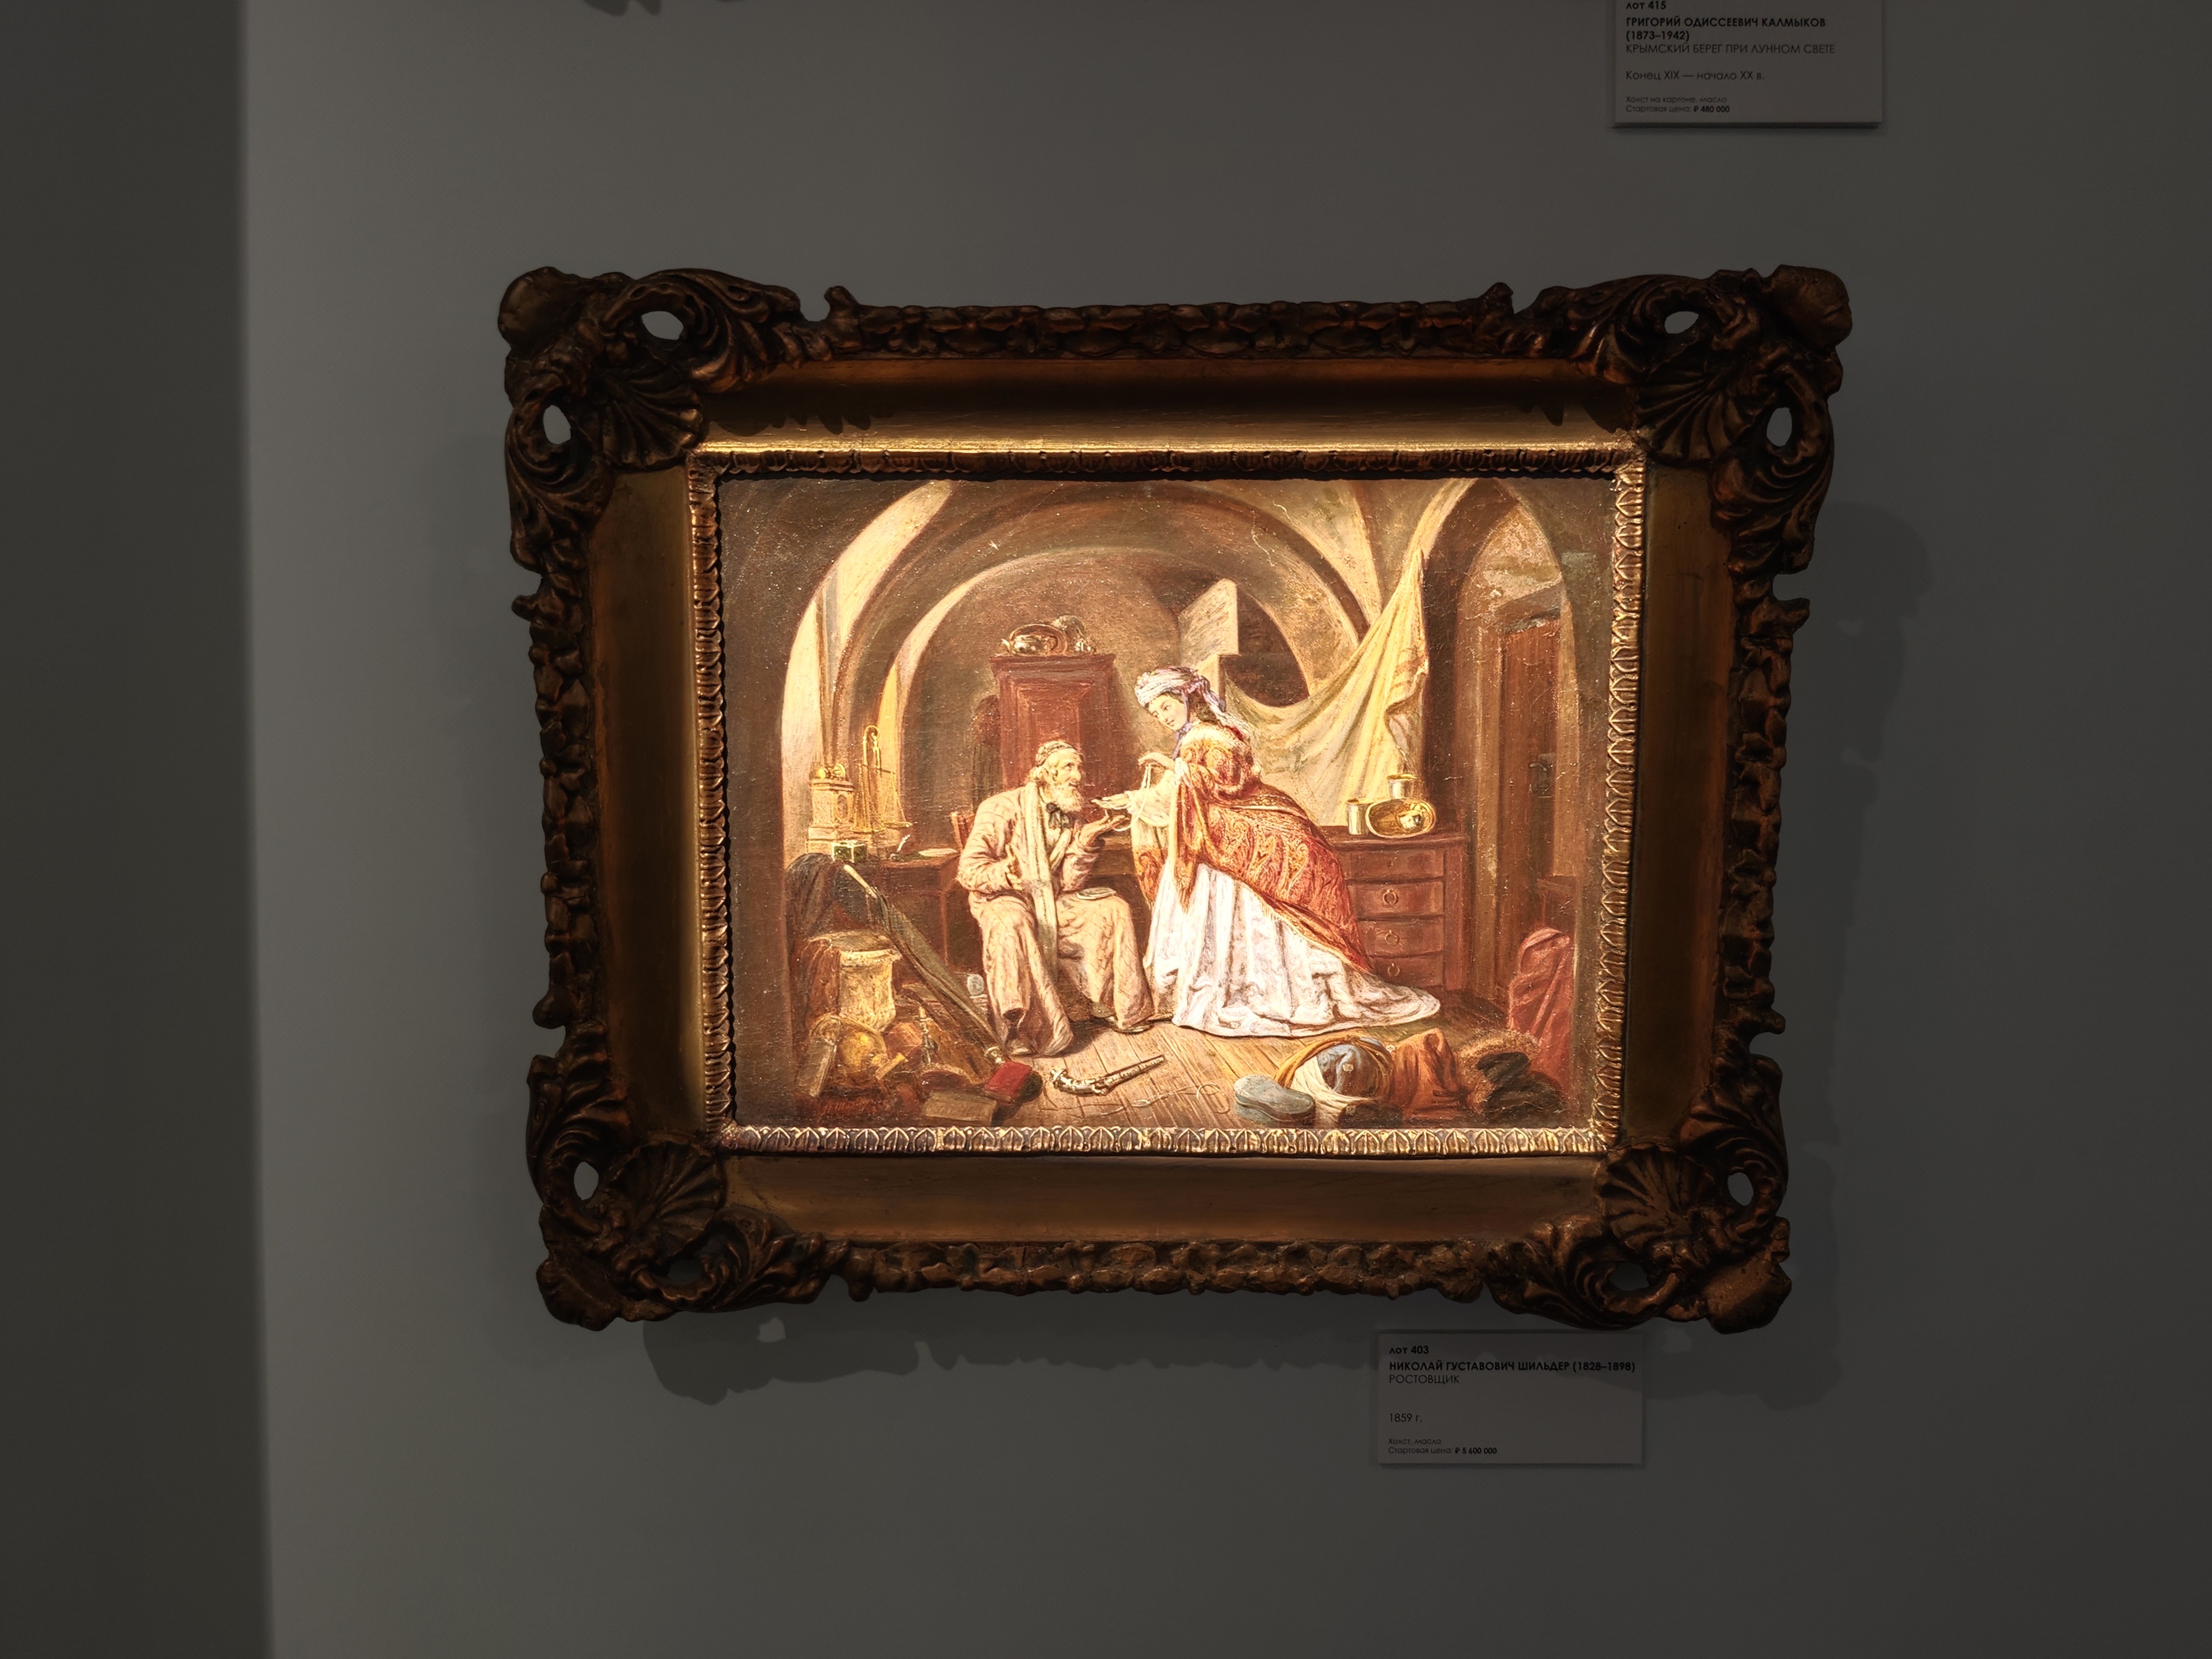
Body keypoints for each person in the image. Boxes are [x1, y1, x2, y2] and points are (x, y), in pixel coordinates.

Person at [1104, 664, 1440, 1038]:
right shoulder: (1196, 736)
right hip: (1219, 825)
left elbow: (1228, 783)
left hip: (1230, 824)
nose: (1163, 718)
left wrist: (1170, 766)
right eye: (1156, 714)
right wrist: (1133, 798)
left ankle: (1268, 991)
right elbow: (1180, 791)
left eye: (1165, 707)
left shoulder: (1207, 734)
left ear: (1185, 697)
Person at [957, 739, 1152, 1058]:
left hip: (1051, 899)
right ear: (1047, 774)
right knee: (1012, 921)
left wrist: (1086, 841)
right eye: (1069, 767)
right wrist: (1005, 874)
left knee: (1113, 908)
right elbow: (969, 870)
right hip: (1005, 897)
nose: (1078, 776)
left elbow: (1070, 882)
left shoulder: (1071, 816)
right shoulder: (1001, 807)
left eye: (1079, 767)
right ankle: (1019, 1028)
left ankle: (1110, 1004)